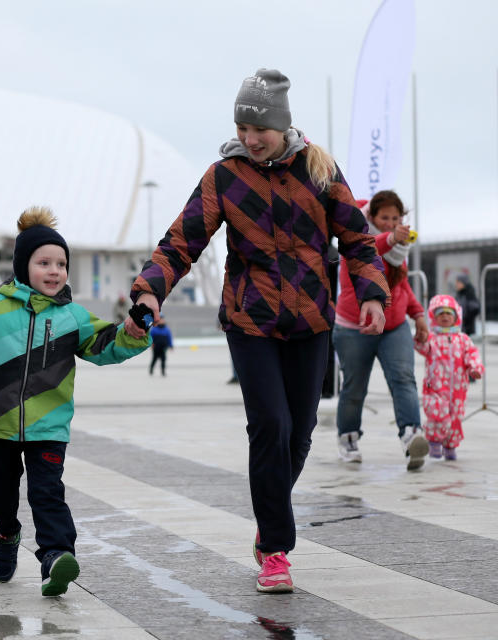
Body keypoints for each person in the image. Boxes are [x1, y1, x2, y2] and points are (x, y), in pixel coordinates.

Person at [125, 69, 389, 594]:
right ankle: (275, 548)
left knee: (300, 433)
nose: (250, 138)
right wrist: (150, 289)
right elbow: (182, 241)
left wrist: (373, 291)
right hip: (251, 320)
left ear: (281, 125)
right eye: (242, 128)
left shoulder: (321, 170)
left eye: (259, 129)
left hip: (311, 321)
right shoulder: (224, 177)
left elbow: (358, 239)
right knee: (270, 425)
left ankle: (269, 515)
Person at [0, 207, 150, 597]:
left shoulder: (74, 317)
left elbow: (107, 344)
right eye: (44, 263)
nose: (54, 271)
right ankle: (5, 535)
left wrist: (134, 329)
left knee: (47, 493)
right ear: (23, 267)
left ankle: (56, 556)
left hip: (48, 427)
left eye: (61, 264)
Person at [333, 191, 429, 470]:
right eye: (384, 218)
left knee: (403, 378)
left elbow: (401, 283)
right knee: (354, 387)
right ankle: (348, 438)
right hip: (355, 327)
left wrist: (418, 314)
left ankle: (412, 436)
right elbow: (368, 249)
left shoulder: (399, 249)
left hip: (394, 325)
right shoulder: (356, 236)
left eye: (395, 218)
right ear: (372, 217)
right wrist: (390, 238)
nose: (390, 223)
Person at [415, 295, 484, 460]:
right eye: (440, 314)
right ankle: (434, 442)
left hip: (458, 390)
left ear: (456, 317)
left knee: (455, 418)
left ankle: (450, 446)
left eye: (448, 314)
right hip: (436, 388)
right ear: (434, 317)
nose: (445, 317)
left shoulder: (463, 340)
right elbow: (422, 347)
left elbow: (472, 355)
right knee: (438, 415)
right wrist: (420, 339)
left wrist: (475, 368)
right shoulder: (432, 338)